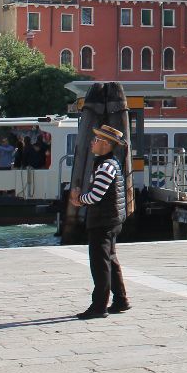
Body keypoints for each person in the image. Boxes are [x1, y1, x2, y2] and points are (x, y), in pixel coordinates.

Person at [69, 125, 130, 319]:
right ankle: (120, 300)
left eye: (96, 140)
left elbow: (96, 196)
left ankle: (99, 306)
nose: (92, 143)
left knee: (100, 264)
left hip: (103, 221)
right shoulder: (111, 164)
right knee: (110, 260)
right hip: (111, 220)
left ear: (105, 144)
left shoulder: (105, 166)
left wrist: (78, 200)